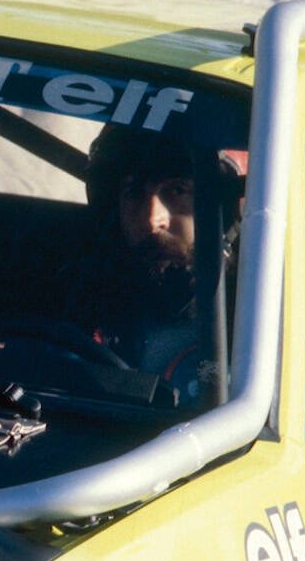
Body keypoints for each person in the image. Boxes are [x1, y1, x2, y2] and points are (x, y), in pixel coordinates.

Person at [80, 126, 241, 405]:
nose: (152, 219)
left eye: (177, 191)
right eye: (134, 193)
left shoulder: (257, 324)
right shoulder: (82, 295)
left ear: (220, 207)